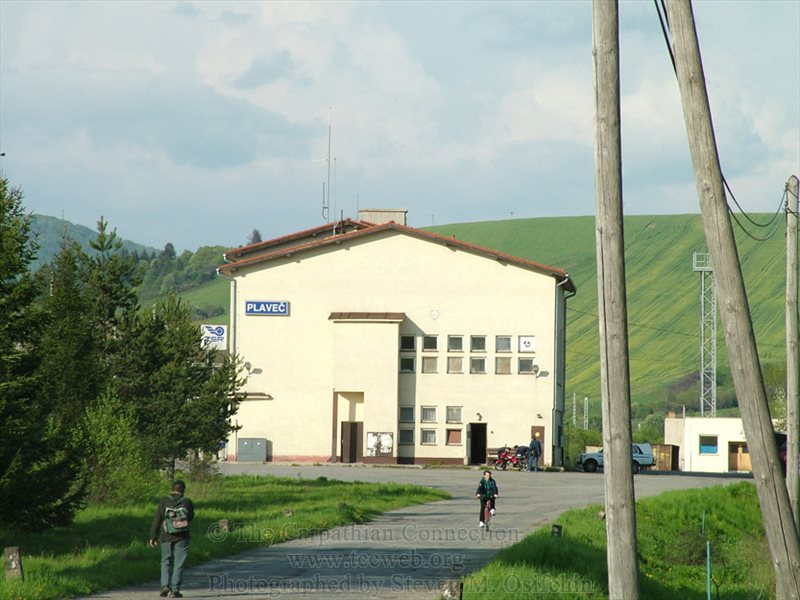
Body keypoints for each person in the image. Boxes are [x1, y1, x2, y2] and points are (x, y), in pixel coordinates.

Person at [150, 480, 195, 598]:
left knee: (165, 561)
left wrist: (153, 536)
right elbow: (190, 518)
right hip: (182, 536)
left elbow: (157, 519)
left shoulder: (164, 501)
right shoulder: (187, 502)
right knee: (179, 563)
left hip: (166, 535)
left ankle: (164, 585)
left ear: (172, 489)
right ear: (183, 490)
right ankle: (175, 590)